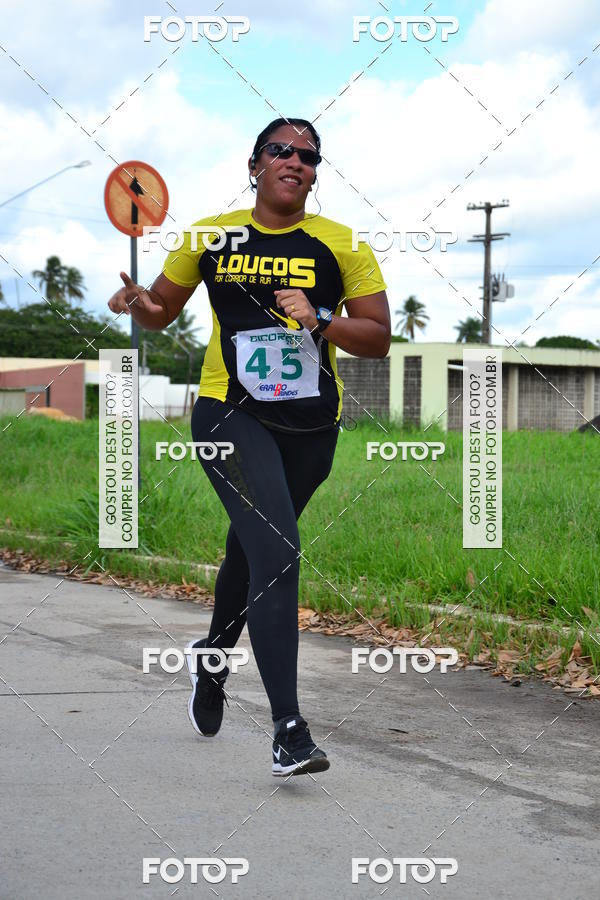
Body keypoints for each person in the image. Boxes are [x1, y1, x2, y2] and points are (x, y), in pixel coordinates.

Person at [108, 117, 390, 776]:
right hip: (228, 415)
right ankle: (288, 730)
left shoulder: (340, 244)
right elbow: (161, 311)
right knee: (281, 553)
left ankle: (212, 659)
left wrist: (319, 317)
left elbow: (377, 335)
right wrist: (137, 304)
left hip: (311, 428)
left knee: (254, 551)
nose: (297, 161)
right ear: (255, 163)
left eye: (310, 156)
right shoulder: (211, 236)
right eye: (282, 151)